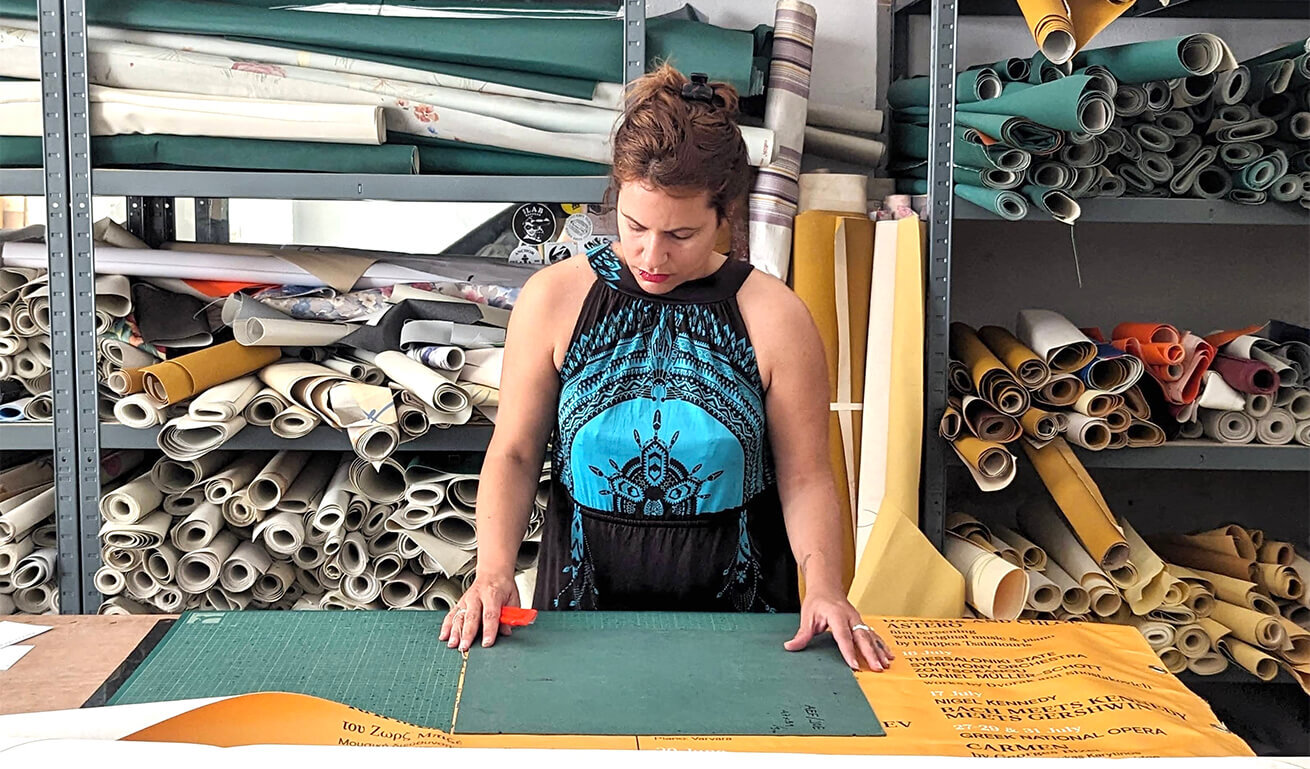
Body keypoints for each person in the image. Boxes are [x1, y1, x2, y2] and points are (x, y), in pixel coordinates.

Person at [439, 64, 893, 672]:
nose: (652, 256)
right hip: (579, 615)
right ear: (616, 198)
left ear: (724, 215)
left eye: (681, 233)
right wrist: (492, 575)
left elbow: (806, 476)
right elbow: (516, 451)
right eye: (634, 227)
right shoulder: (554, 298)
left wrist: (826, 590)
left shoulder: (774, 316)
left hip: (744, 622)